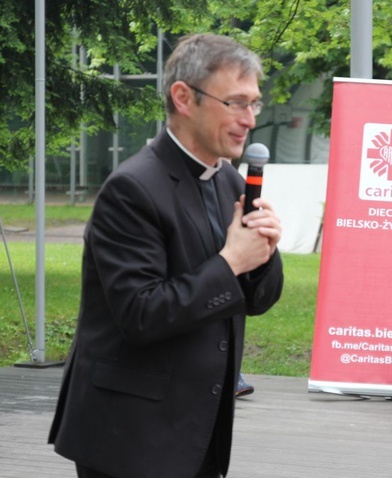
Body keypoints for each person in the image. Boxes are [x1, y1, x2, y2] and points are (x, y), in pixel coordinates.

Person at [48, 33, 284, 478]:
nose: (250, 119)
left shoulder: (231, 183)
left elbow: (255, 301)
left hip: (197, 432)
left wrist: (264, 254)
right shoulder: (132, 188)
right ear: (183, 97)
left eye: (255, 104)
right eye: (236, 103)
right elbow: (141, 314)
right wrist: (232, 260)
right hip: (130, 437)